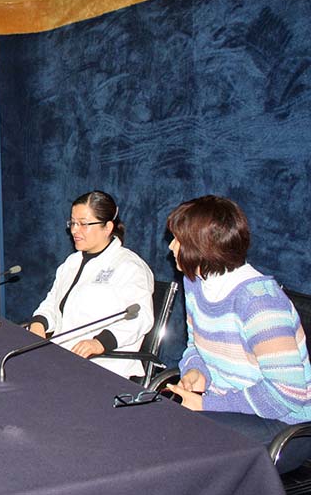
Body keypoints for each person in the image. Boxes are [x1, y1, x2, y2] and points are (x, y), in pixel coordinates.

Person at [164, 195, 311, 473]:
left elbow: (287, 395)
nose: (171, 247)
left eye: (178, 240)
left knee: (178, 448)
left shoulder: (258, 301)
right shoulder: (195, 282)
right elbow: (195, 346)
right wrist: (196, 370)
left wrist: (207, 403)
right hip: (230, 408)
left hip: (284, 426)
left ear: (203, 247)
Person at [29, 190, 154, 379]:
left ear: (108, 227)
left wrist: (99, 343)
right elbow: (52, 302)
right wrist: (39, 323)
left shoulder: (130, 266)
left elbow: (139, 317)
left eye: (84, 224)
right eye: (72, 222)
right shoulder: (71, 262)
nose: (74, 230)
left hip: (104, 367)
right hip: (62, 360)